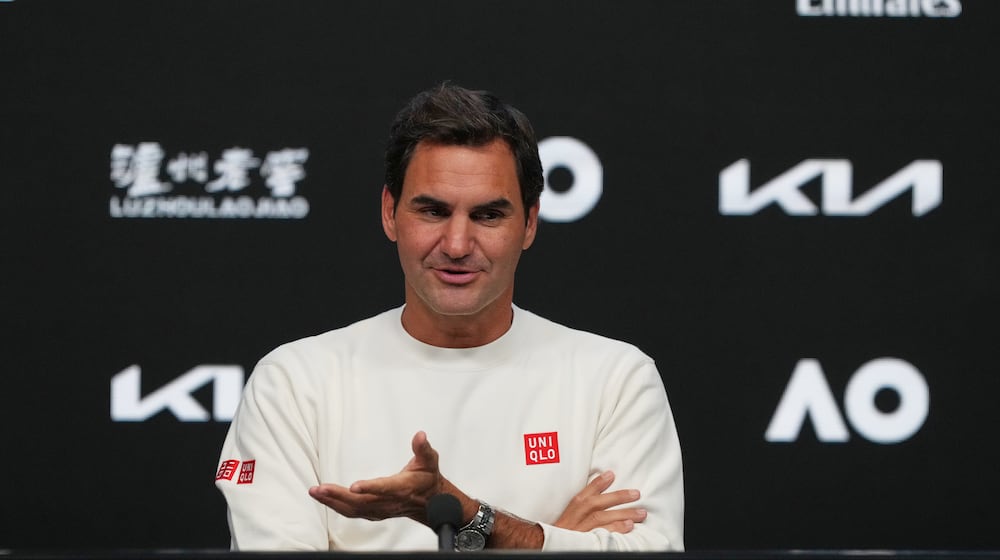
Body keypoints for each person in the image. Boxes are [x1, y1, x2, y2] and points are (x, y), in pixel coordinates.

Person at [214, 82, 684, 551]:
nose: (457, 245)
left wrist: (471, 517)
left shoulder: (615, 379)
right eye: (433, 211)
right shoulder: (295, 383)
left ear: (531, 223)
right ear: (389, 212)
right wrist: (544, 542)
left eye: (488, 215)